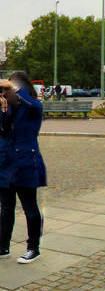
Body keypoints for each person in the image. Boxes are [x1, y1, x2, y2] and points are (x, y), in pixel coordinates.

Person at [1, 72, 46, 264]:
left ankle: (33, 248)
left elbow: (34, 105)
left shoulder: (32, 107)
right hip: (6, 165)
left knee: (30, 207)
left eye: (9, 90)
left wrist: (15, 90)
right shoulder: (6, 108)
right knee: (5, 208)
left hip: (26, 162)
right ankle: (3, 245)